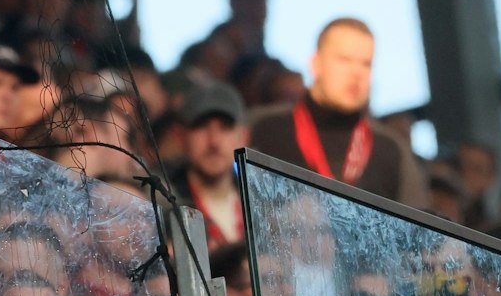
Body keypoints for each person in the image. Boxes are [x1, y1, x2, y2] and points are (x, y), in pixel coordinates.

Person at [248, 18, 427, 208]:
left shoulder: (392, 150)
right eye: (344, 60)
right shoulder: (264, 127)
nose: (356, 73)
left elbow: (417, 234)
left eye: (366, 64)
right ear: (316, 63)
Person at [173, 82, 249, 247]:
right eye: (201, 126)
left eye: (225, 127)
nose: (214, 141)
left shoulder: (261, 205)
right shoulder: (162, 206)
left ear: (244, 136)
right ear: (180, 136)